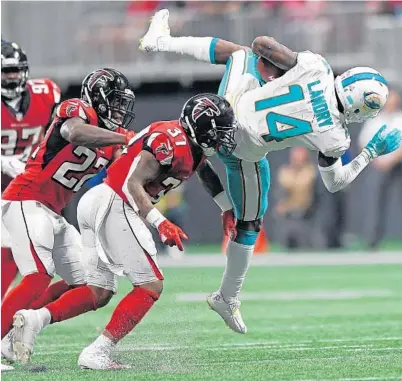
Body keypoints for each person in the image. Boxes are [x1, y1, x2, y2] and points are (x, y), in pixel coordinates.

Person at [139, 9, 402, 334]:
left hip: (229, 108)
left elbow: (261, 43)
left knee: (240, 54)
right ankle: (227, 297)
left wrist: (273, 75)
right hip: (241, 151)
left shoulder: (317, 67)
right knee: (248, 226)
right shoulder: (335, 137)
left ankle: (162, 41)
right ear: (361, 108)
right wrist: (370, 153)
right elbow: (336, 183)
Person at [10, 94, 237, 369]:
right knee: (151, 285)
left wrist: (225, 208)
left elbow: (205, 172)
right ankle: (98, 352)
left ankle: (34, 319)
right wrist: (159, 221)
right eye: (218, 133)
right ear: (200, 127)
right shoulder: (170, 140)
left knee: (98, 291)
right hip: (117, 202)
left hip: (100, 201)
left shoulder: (189, 145)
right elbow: (133, 183)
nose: (222, 140)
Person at [1, 68, 136, 362]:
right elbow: (72, 131)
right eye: (114, 102)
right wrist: (123, 137)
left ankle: (21, 331)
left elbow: (123, 173)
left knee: (97, 286)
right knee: (38, 276)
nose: (119, 110)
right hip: (26, 199)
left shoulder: (110, 141)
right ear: (98, 100)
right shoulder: (76, 109)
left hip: (53, 212)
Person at [1, 40, 61, 302]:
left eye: (16, 70)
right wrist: (3, 161)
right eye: (6, 71)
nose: (12, 77)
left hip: (28, 184)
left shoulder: (46, 92)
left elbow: (58, 129)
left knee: (24, 248)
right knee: (8, 245)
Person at [359, 90, 402, 249]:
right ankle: (373, 240)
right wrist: (377, 159)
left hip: (400, 165)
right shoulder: (374, 121)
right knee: (376, 202)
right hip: (379, 165)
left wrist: (392, 159)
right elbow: (364, 142)